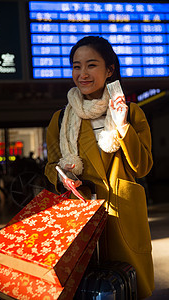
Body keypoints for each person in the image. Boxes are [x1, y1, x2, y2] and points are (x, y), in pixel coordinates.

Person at [44, 36, 154, 299]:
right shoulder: (60, 120)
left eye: (91, 65)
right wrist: (63, 178)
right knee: (85, 289)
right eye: (76, 66)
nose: (82, 74)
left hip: (121, 213)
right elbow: (50, 167)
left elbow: (143, 166)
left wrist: (123, 124)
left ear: (109, 70)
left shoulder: (131, 112)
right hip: (79, 217)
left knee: (128, 286)